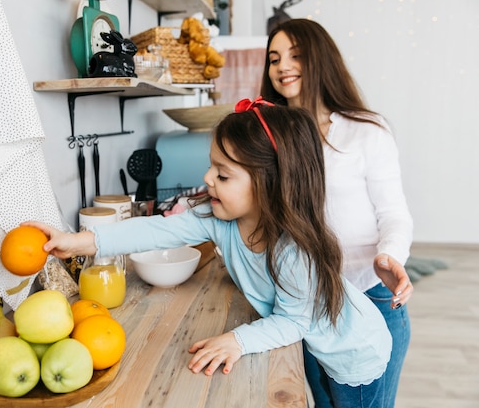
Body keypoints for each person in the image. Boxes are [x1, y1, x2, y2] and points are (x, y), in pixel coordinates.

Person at [26, 99, 393, 408]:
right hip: (316, 341)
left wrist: (238, 339)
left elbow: (293, 322)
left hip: (353, 355)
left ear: (271, 184)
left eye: (223, 174)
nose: (207, 177)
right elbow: (156, 229)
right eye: (211, 166)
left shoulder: (293, 252)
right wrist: (78, 241)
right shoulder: (220, 220)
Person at [260, 18, 414, 408]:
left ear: (320, 60)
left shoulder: (367, 131)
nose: (281, 67)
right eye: (274, 59)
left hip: (370, 297)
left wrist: (389, 256)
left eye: (295, 55)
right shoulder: (269, 136)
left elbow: (394, 213)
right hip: (306, 300)